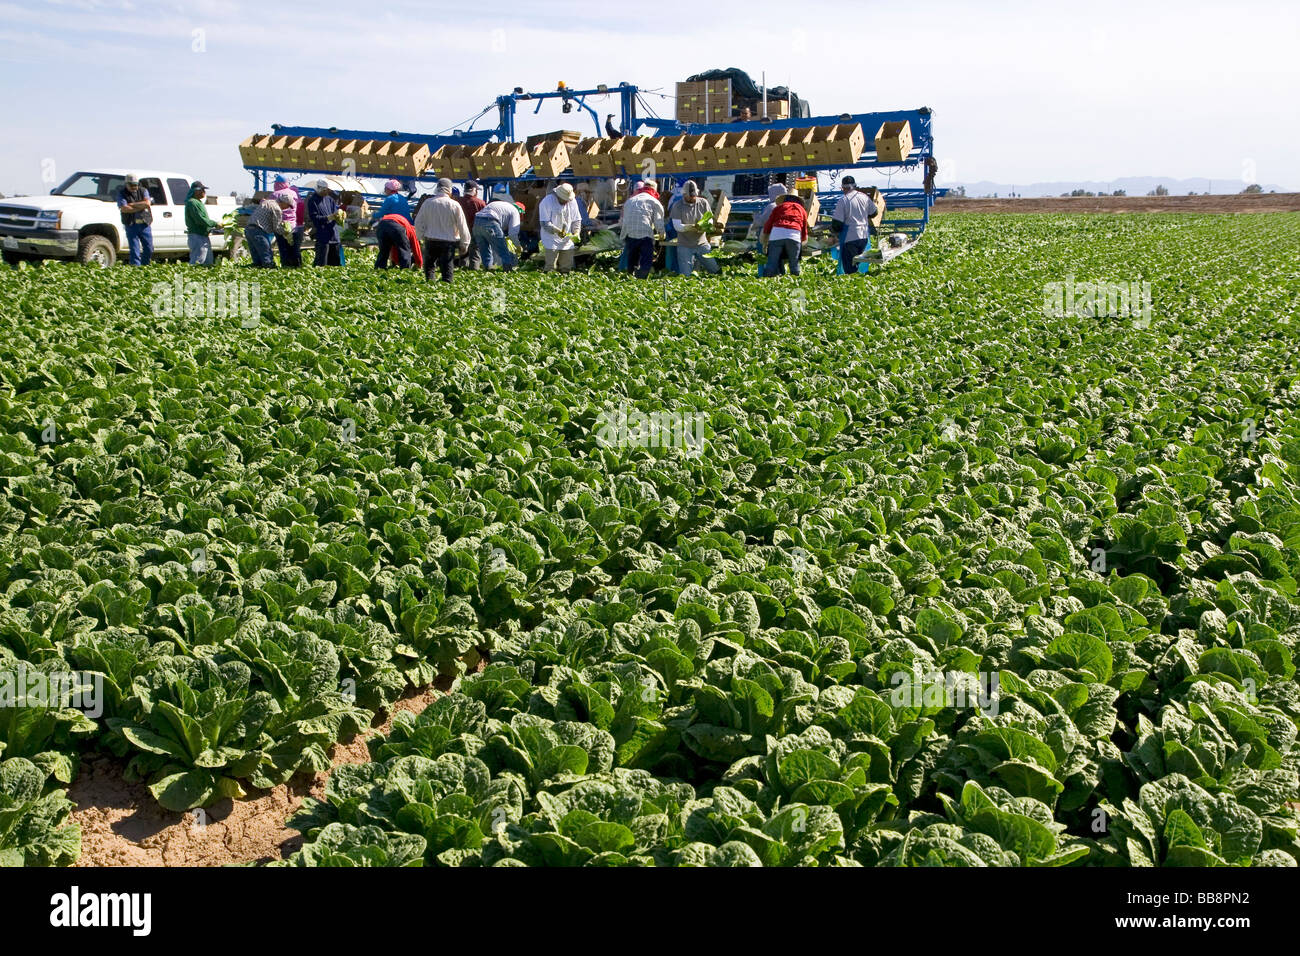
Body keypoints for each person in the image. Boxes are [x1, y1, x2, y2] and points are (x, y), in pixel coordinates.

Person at [413, 178, 470, 283]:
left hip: (430, 240)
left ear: (437, 188)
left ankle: (430, 287)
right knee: (447, 268)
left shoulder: (427, 203)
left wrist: (420, 236)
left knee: (430, 267)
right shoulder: (454, 205)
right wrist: (464, 244)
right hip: (448, 242)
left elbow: (418, 222)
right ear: (449, 190)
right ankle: (446, 291)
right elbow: (462, 225)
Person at [667, 181, 719, 277]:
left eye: (694, 195)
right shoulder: (677, 206)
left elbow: (710, 219)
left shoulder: (703, 203)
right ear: (684, 194)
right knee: (685, 275)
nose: (692, 197)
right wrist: (692, 227)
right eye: (690, 196)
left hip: (702, 244)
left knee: (714, 269)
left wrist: (705, 226)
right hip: (685, 245)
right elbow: (677, 226)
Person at [831, 176, 879, 275]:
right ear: (855, 186)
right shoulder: (864, 197)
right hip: (864, 237)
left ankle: (852, 284)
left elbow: (837, 224)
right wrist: (863, 215)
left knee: (850, 267)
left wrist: (833, 232)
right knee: (859, 261)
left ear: (844, 188)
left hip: (850, 238)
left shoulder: (843, 200)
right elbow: (874, 213)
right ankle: (860, 280)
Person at [619, 180, 664, 279]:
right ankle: (641, 280)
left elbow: (623, 220)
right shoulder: (654, 202)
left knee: (632, 259)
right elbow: (658, 221)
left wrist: (623, 236)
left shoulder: (630, 200)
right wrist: (661, 234)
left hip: (630, 234)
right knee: (646, 260)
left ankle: (630, 277)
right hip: (645, 234)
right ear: (654, 190)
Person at [762, 186, 808, 276]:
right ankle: (796, 282)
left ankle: (766, 280)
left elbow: (768, 225)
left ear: (785, 199)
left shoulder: (778, 208)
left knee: (771, 263)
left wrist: (765, 242)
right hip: (794, 235)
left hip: (776, 235)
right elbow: (804, 229)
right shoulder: (802, 210)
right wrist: (802, 242)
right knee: (794, 264)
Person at [537, 182, 582, 273]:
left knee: (566, 266)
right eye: (564, 199)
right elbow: (545, 223)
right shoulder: (547, 201)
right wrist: (558, 231)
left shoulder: (572, 201)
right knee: (550, 266)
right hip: (551, 238)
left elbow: (576, 219)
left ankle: (565, 283)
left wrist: (576, 232)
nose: (566, 201)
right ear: (558, 196)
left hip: (567, 239)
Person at [473, 197, 524, 271]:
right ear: (520, 212)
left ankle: (488, 269)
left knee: (484, 250)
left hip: (477, 222)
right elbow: (513, 234)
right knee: (503, 250)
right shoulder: (515, 211)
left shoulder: (505, 206)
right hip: (490, 221)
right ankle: (508, 270)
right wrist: (518, 246)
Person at [115, 174, 154, 266]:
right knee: (134, 250)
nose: (134, 187)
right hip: (131, 225)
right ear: (126, 184)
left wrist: (131, 204)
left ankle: (145, 266)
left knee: (149, 249)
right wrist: (140, 207)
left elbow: (147, 203)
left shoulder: (143, 191)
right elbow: (124, 208)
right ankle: (136, 268)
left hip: (144, 224)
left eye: (136, 185)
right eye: (131, 185)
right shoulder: (122, 193)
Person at [184, 181, 221, 266]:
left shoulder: (198, 202)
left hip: (203, 236)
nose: (204, 192)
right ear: (195, 191)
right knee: (198, 262)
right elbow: (200, 219)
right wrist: (215, 224)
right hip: (197, 236)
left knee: (207, 263)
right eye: (202, 190)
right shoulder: (192, 203)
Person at [307, 180, 343, 266]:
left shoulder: (330, 199)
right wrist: (328, 217)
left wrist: (339, 217)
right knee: (321, 262)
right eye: (325, 190)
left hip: (333, 234)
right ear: (320, 190)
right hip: (322, 235)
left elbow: (335, 212)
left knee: (335, 263)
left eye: (327, 190)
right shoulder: (313, 200)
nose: (327, 192)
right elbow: (314, 218)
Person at [244, 194, 285, 268]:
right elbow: (277, 227)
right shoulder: (276, 209)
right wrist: (286, 234)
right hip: (258, 230)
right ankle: (269, 270)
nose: (287, 208)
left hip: (249, 229)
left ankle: (257, 271)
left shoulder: (268, 202)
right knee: (266, 255)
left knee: (257, 258)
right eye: (288, 205)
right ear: (284, 202)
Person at [271, 175, 303, 268]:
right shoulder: (294, 193)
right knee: (295, 249)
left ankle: (285, 267)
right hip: (294, 226)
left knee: (283, 249)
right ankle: (298, 268)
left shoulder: (274, 194)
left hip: (280, 226)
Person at [456, 181, 486, 269]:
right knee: (475, 254)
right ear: (474, 190)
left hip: (459, 231)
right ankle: (473, 272)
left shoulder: (457, 201)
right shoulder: (480, 203)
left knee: (463, 253)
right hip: (474, 231)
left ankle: (463, 269)